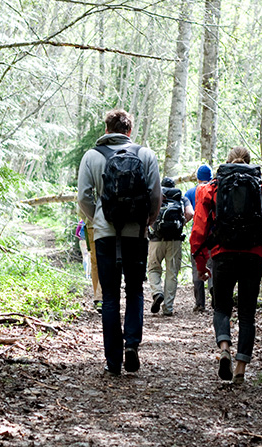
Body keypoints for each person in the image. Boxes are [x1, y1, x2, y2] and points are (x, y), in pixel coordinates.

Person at [77, 109, 161, 376]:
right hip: (136, 234)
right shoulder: (145, 155)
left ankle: (113, 361)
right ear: (129, 131)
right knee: (135, 290)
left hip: (104, 233)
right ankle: (132, 345)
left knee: (110, 296)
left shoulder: (92, 156)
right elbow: (156, 195)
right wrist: (146, 222)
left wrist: (98, 218)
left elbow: (83, 196)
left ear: (106, 130)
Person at [190, 146, 262, 384]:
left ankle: (224, 348)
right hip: (254, 256)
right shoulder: (261, 190)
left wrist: (201, 263)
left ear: (228, 162)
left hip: (223, 255)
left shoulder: (211, 188)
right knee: (247, 314)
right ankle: (240, 368)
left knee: (221, 308)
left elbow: (199, 228)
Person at [148, 177, 194, 316]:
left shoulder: (156, 196)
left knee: (153, 269)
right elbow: (190, 213)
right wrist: (181, 223)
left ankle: (157, 292)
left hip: (156, 240)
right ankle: (168, 308)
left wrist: (153, 226)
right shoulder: (181, 197)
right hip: (175, 240)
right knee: (171, 273)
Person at [184, 165, 213, 312]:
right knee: (213, 266)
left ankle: (200, 303)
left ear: (197, 177)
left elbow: (188, 214)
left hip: (198, 234)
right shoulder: (215, 190)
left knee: (197, 268)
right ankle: (215, 297)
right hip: (213, 235)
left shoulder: (190, 193)